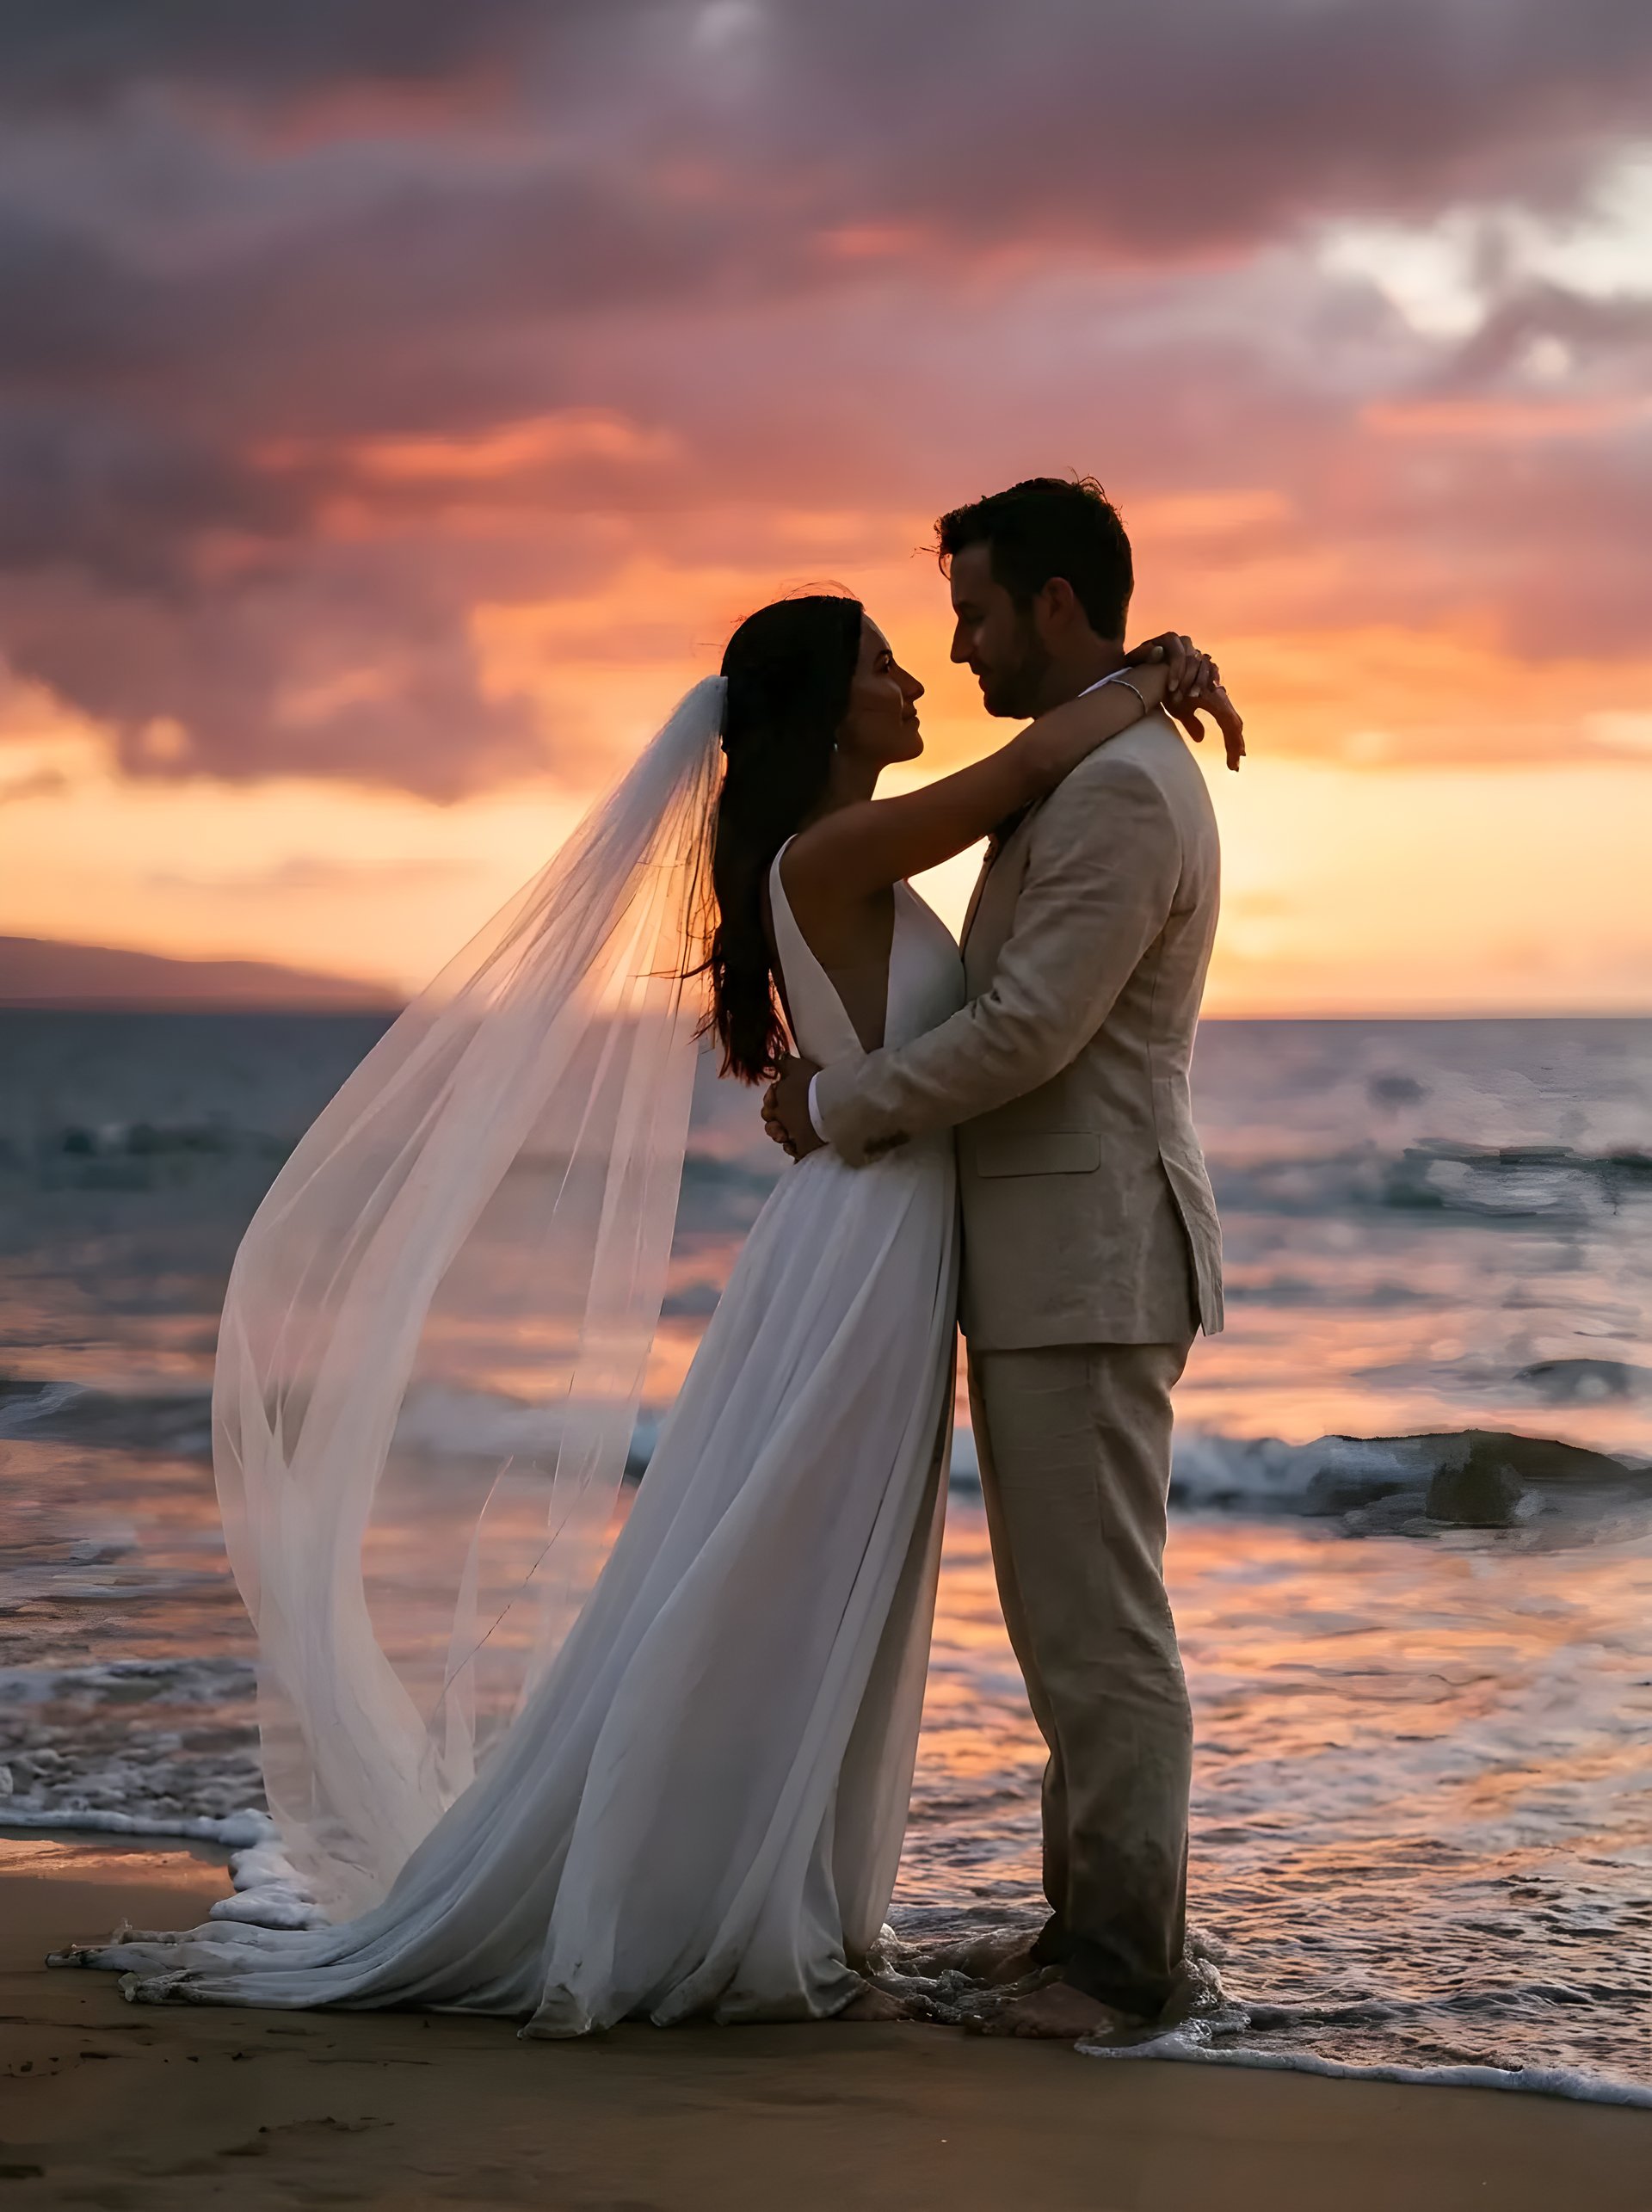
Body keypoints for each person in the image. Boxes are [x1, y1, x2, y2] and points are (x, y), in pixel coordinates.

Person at [51, 577, 1232, 2035]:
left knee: (819, 1571)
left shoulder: (845, 848)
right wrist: (1157, 672)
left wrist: (1145, 678)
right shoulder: (834, 848)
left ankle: (791, 1885)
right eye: (881, 664)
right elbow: (1026, 771)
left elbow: (1022, 808)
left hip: (889, 1230)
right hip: (865, 1241)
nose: (918, 676)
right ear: (822, 709)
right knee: (787, 1565)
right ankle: (728, 1892)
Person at [761, 478, 1236, 2041]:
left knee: (1099, 1623)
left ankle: (1126, 1970)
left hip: (1093, 1255)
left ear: (1051, 604)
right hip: (1047, 1256)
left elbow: (1030, 1033)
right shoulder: (1082, 761)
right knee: (1064, 1618)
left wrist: (838, 1108)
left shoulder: (1117, 792)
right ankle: (1080, 1925)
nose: (955, 648)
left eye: (973, 611)